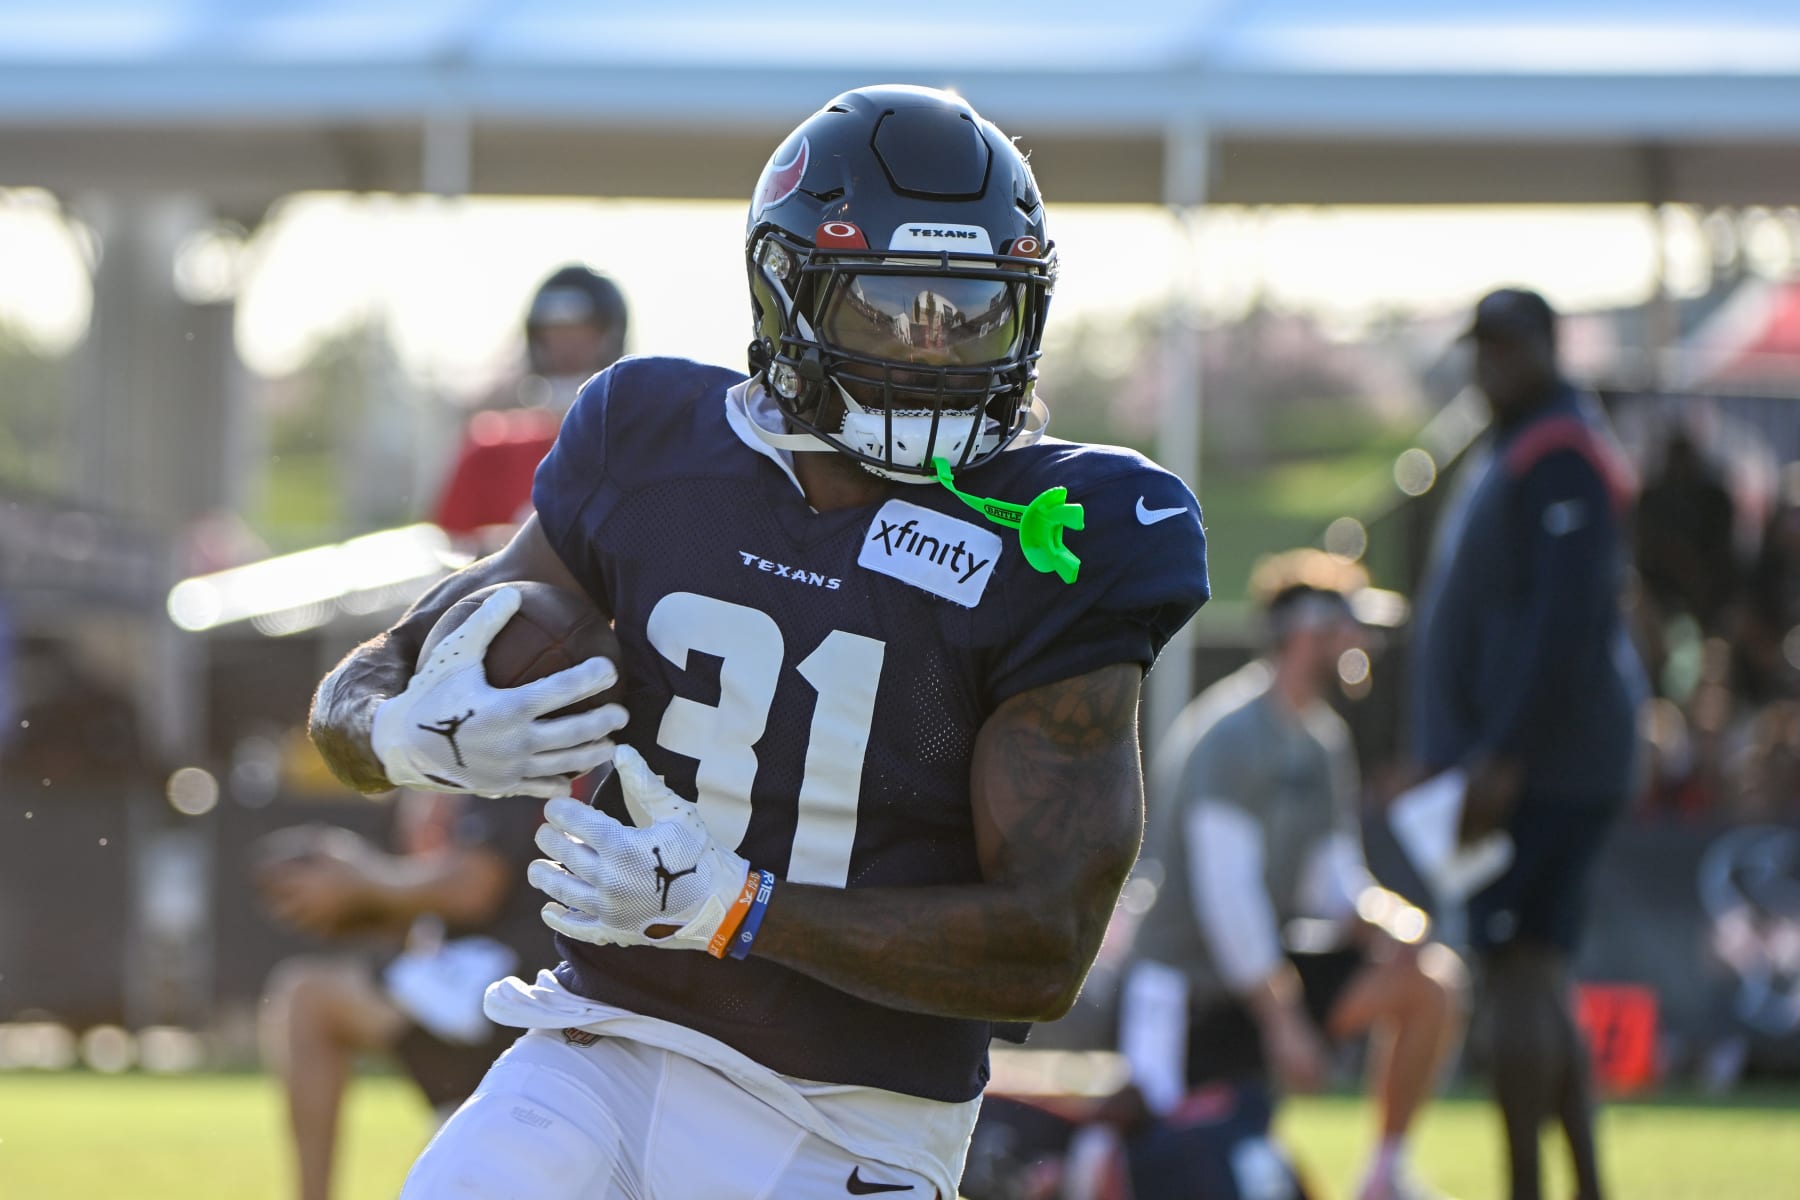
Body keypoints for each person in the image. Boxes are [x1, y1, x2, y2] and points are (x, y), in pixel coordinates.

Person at [307, 84, 1210, 1200]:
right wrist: (409, 734)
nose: (935, 349)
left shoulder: (1072, 531)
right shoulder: (646, 440)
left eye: (975, 309)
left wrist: (739, 908)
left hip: (852, 1119)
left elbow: (1048, 943)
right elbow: (366, 684)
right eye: (890, 304)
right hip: (603, 1047)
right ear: (789, 291)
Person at [1117, 550, 1464, 1200]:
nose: (1360, 644)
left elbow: (1333, 882)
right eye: (1348, 628)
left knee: (1432, 981)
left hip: (1256, 985)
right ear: (1308, 633)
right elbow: (1230, 904)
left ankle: (1386, 1175)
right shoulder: (1231, 737)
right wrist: (1286, 1026)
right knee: (1171, 1163)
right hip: (1188, 992)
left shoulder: (1322, 739)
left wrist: (1391, 922)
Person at [1411, 288, 1646, 1200]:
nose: (1489, 366)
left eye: (1507, 348)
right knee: (1538, 972)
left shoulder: (1561, 453)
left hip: (1542, 765)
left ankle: (1526, 1188)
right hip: (1530, 759)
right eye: (1481, 349)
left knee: (1514, 972)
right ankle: (1582, 1187)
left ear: (1549, 347)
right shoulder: (1525, 444)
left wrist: (1500, 753)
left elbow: (1565, 620)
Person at [256, 788, 556, 1200]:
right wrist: (350, 906)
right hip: (460, 996)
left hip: (523, 996)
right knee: (308, 998)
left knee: (308, 998)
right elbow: (415, 922)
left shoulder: (503, 766)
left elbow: (474, 889)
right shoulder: (413, 792)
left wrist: (362, 878)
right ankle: (466, 1117)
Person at [432, 265, 630, 549]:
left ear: (608, 337)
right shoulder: (489, 450)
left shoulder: (638, 452)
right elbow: (450, 557)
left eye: (584, 332)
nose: (567, 348)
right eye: (555, 333)